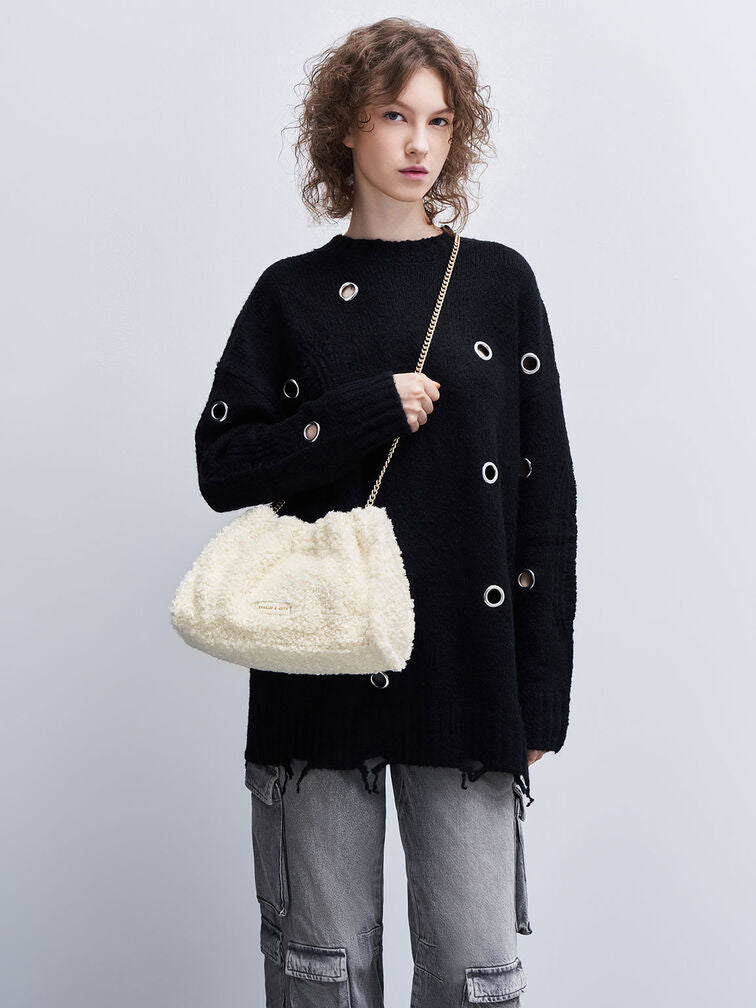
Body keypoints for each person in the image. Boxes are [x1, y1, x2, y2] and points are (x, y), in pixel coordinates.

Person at [193, 17, 577, 1008]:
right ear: (346, 128)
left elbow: (545, 497)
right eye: (395, 116)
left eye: (439, 121)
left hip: (468, 674)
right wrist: (365, 409)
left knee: (476, 975)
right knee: (322, 973)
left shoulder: (499, 283)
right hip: (318, 678)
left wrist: (541, 690)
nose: (419, 143)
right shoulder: (289, 296)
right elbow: (222, 465)